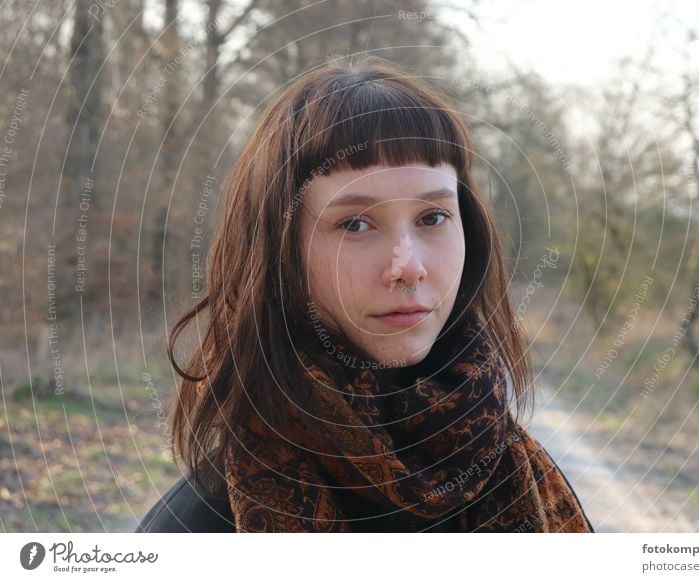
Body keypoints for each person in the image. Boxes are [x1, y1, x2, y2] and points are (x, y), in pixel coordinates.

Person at [135, 56, 594, 533]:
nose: (408, 267)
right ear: (279, 252)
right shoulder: (198, 529)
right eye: (355, 224)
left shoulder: (523, 482)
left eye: (432, 217)